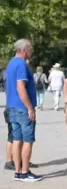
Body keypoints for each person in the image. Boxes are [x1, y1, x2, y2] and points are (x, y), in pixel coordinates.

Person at [5, 39, 42, 181]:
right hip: (22, 108)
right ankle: (25, 172)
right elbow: (21, 87)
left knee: (16, 139)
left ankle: (18, 171)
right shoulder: (21, 64)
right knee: (27, 140)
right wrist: (29, 108)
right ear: (25, 49)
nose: (31, 51)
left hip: (12, 107)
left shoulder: (11, 63)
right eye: (30, 48)